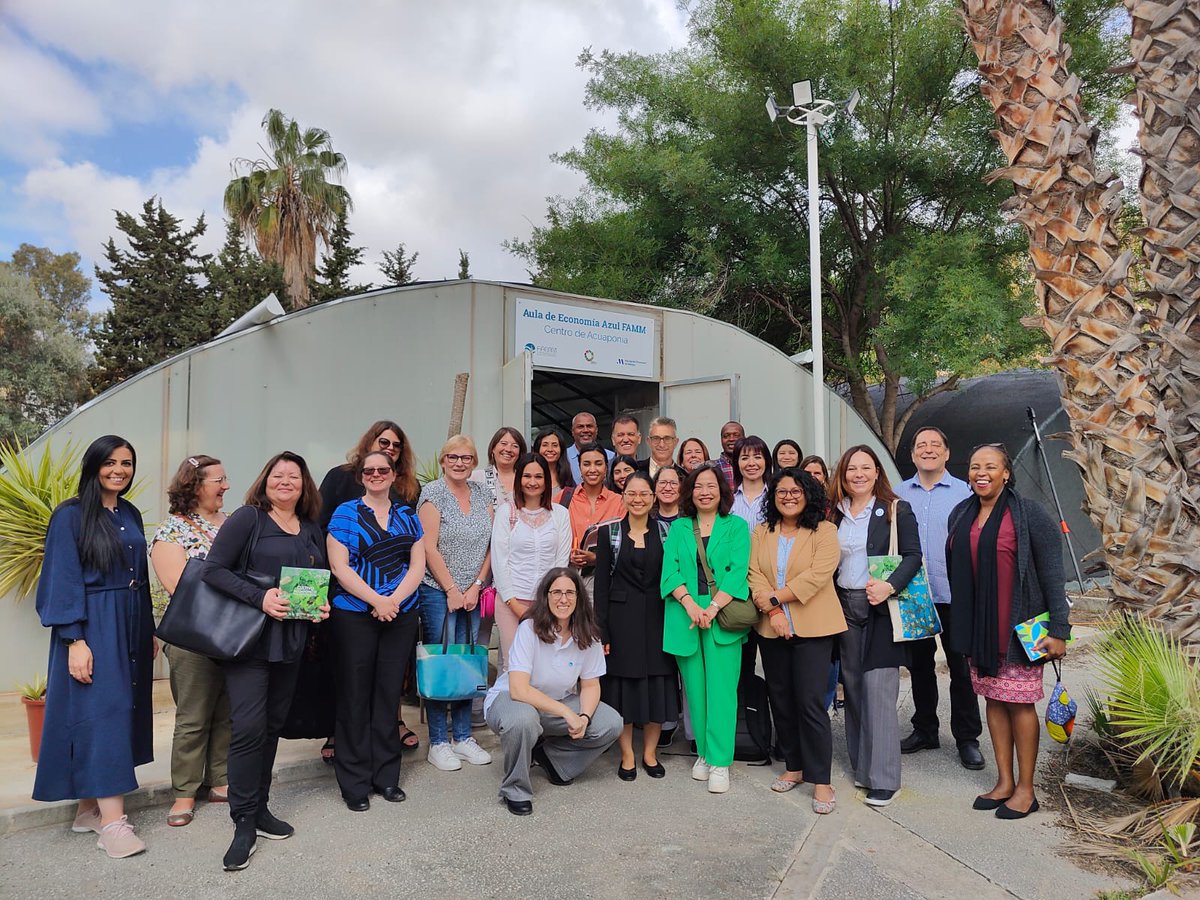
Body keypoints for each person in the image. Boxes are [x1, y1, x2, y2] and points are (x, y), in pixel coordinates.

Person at [203, 451, 330, 871]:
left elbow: (315, 582)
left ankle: (260, 808)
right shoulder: (248, 519)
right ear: (265, 480)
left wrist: (319, 605)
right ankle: (242, 820)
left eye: (294, 476)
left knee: (273, 726)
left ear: (304, 485)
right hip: (250, 642)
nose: (286, 481)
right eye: (278, 475)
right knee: (250, 728)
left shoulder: (309, 528)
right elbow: (214, 571)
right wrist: (260, 597)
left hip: (291, 641)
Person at [33, 435, 154, 859]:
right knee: (104, 713)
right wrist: (74, 639)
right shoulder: (69, 515)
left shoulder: (131, 512)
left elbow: (138, 573)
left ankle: (88, 810)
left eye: (127, 462)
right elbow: (61, 577)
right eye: (110, 462)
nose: (119, 470)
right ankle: (113, 824)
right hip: (92, 624)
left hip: (130, 621)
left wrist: (149, 629)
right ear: (94, 465)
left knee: (111, 711)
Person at [947, 444, 1069, 820]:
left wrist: (1060, 629)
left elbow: (1052, 571)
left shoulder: (1029, 514)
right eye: (974, 467)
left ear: (1006, 473)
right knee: (994, 701)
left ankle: (1026, 790)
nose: (980, 473)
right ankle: (1003, 782)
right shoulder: (961, 513)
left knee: (1020, 703)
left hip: (1020, 628)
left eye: (989, 467)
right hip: (979, 629)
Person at [327, 451, 427, 811]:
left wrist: (394, 601)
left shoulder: (407, 514)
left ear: (393, 474)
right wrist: (376, 600)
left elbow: (417, 565)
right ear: (361, 475)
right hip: (354, 613)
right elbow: (339, 567)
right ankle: (353, 781)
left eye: (382, 469)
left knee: (388, 696)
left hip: (400, 613)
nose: (375, 474)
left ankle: (386, 777)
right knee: (354, 695)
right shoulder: (345, 513)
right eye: (368, 470)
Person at [484, 568, 623, 816]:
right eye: (556, 592)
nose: (563, 599)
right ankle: (515, 789)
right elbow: (518, 689)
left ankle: (552, 759)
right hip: (511, 700)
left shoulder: (588, 635)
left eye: (570, 592)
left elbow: (591, 686)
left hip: (554, 703)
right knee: (523, 720)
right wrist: (566, 713)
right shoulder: (530, 628)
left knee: (611, 723)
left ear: (579, 598)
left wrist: (584, 718)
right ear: (545, 596)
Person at [317, 420, 420, 756]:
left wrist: (392, 601)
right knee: (352, 681)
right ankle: (343, 742)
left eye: (395, 447)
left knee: (389, 682)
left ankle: (388, 749)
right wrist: (372, 598)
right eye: (384, 442)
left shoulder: (407, 495)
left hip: (397, 604)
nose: (389, 450)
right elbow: (327, 543)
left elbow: (414, 557)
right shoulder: (340, 484)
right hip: (350, 598)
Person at [829, 445, 922, 808]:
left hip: (883, 608)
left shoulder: (896, 510)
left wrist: (889, 585)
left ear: (877, 472)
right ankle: (863, 769)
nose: (858, 474)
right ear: (844, 474)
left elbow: (913, 555)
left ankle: (885, 779)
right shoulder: (834, 514)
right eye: (852, 468)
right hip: (844, 607)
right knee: (852, 687)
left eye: (866, 467)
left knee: (878, 689)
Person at [748, 469, 845, 814]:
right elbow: (754, 573)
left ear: (808, 494)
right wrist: (772, 612)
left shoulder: (825, 530)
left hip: (814, 629)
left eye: (796, 490)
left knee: (810, 703)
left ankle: (822, 779)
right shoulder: (762, 531)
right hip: (771, 630)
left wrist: (775, 600)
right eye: (782, 491)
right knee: (782, 699)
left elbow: (818, 575)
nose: (788, 496)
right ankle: (794, 766)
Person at [150, 455, 232, 827]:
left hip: (233, 632)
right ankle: (184, 793)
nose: (226, 486)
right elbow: (180, 588)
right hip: (192, 635)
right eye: (218, 480)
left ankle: (221, 781)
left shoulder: (232, 525)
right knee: (194, 716)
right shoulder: (171, 532)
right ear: (194, 485)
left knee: (227, 712)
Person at [660, 464, 752, 794]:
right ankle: (703, 753)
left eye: (711, 485)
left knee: (722, 692)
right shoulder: (680, 528)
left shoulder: (737, 526)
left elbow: (738, 572)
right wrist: (691, 605)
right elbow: (669, 572)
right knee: (695, 692)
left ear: (722, 491)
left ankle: (721, 761)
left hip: (721, 613)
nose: (705, 491)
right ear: (690, 491)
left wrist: (712, 608)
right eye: (698, 486)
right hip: (686, 614)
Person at [896, 427, 980, 769]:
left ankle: (967, 737)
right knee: (919, 667)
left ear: (946, 453)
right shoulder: (898, 494)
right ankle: (925, 729)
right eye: (921, 446)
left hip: (955, 595)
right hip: (914, 594)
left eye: (935, 445)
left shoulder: (967, 493)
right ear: (913, 455)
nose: (928, 450)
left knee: (961, 669)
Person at [416, 435, 495, 773]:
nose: (460, 462)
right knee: (440, 662)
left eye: (467, 457)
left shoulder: (483, 495)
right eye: (453, 457)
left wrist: (477, 585)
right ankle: (438, 741)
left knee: (467, 663)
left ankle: (463, 736)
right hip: (438, 592)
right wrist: (450, 588)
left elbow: (493, 545)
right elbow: (428, 547)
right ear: (443, 459)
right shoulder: (432, 494)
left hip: (474, 593)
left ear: (474, 461)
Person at [594, 471, 678, 780]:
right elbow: (600, 587)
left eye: (645, 494)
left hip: (659, 618)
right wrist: (600, 630)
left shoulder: (668, 533)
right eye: (632, 493)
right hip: (621, 621)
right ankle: (627, 754)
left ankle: (650, 753)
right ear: (624, 497)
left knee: (658, 684)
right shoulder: (609, 534)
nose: (638, 499)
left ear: (654, 498)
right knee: (623, 689)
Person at [492, 453, 572, 674]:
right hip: (511, 600)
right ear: (519, 479)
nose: (532, 482)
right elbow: (500, 561)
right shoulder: (505, 512)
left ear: (547, 480)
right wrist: (514, 604)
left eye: (538, 476)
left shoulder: (560, 515)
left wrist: (546, 603)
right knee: (512, 665)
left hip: (548, 603)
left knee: (546, 665)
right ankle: (510, 709)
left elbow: (561, 563)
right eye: (527, 476)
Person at [561, 443, 624, 588]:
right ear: (579, 468)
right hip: (569, 577)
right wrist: (569, 556)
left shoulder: (619, 502)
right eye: (586, 464)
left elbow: (626, 545)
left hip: (608, 579)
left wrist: (597, 558)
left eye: (598, 464)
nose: (592, 469)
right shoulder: (564, 498)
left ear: (606, 468)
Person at [474, 426, 526, 509]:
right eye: (503, 444)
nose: (508, 449)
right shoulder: (476, 478)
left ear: (520, 453)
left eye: (515, 446)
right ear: (493, 448)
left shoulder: (526, 478)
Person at [731, 435, 772, 530]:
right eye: (745, 458)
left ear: (766, 461)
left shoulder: (776, 498)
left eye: (757, 457)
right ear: (737, 463)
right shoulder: (728, 500)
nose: (751, 463)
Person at [567, 412, 614, 482]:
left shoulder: (611, 457)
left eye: (589, 426)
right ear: (572, 431)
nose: (585, 430)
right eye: (580, 426)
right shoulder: (563, 456)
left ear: (596, 430)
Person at [533, 427, 575, 492]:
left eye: (555, 445)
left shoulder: (567, 476)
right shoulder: (530, 475)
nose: (550, 449)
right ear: (538, 448)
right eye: (545, 445)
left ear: (561, 449)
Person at [712, 421, 745, 489]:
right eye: (726, 436)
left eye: (736, 435)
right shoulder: (712, 467)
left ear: (744, 438)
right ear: (721, 440)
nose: (731, 439)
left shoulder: (752, 466)